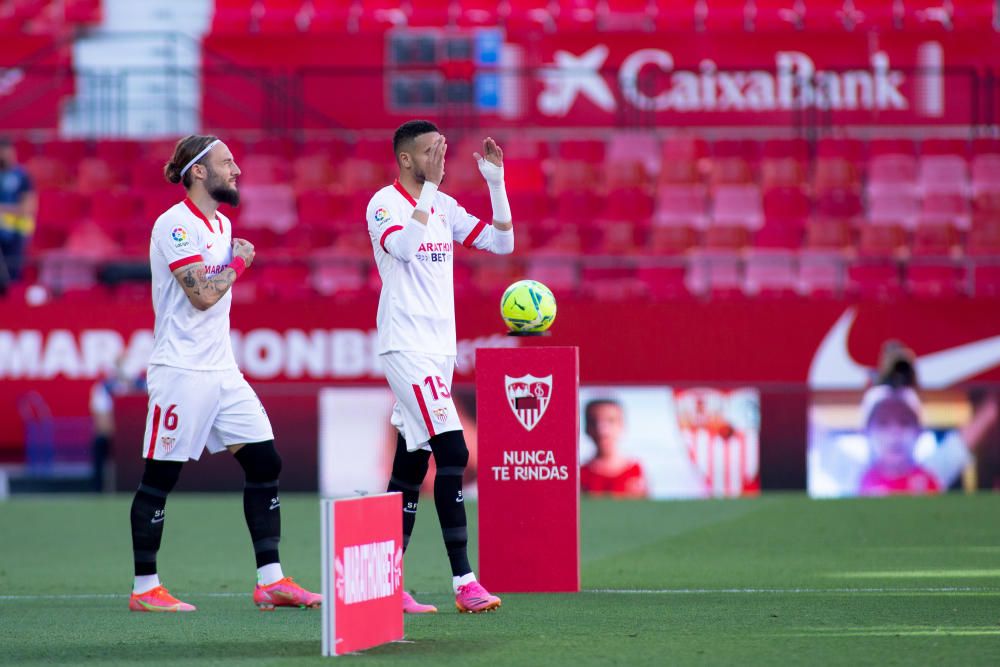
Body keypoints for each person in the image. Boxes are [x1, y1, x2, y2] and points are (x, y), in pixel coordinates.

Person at [127, 135, 320, 613]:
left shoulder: (221, 223)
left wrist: (233, 255)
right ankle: (144, 588)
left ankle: (271, 580)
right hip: (181, 371)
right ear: (198, 172)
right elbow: (201, 295)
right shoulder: (174, 225)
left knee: (265, 463)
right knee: (160, 477)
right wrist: (238, 262)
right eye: (226, 163)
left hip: (222, 369)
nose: (236, 171)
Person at [367, 120, 513, 614]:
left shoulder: (444, 206)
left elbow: (502, 243)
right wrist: (430, 186)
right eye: (431, 152)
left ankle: (384, 583)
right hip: (405, 346)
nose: (441, 159)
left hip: (439, 350)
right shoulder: (384, 203)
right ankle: (465, 582)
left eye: (443, 151)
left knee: (409, 466)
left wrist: (496, 182)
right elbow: (405, 249)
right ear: (406, 159)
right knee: (454, 451)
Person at [857, 384, 998, 496]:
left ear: (919, 431)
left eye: (904, 423)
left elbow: (984, 418)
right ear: (866, 432)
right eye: (883, 423)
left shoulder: (933, 472)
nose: (895, 433)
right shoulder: (855, 476)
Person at [90, 355, 146, 492]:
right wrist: (122, 433)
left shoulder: (144, 386)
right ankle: (98, 489)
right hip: (115, 435)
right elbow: (102, 423)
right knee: (99, 442)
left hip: (142, 435)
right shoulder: (104, 388)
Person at [580, 399, 647, 498]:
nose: (602, 430)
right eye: (594, 422)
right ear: (586, 428)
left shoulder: (635, 471)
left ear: (622, 425)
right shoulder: (580, 475)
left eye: (611, 421)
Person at [0, 138, 37, 289]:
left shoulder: (23, 177)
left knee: (13, 272)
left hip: (17, 230)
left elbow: (28, 208)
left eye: (7, 153)